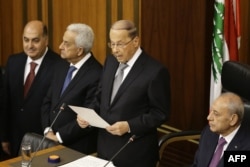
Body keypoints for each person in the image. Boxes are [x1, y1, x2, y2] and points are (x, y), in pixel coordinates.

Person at [77, 20, 171, 167]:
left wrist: (129, 126)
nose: (114, 50)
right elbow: (100, 97)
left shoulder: (155, 71)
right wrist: (88, 114)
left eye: (120, 44)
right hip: (104, 150)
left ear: (135, 41)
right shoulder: (110, 61)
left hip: (135, 154)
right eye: (112, 44)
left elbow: (160, 113)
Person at [0, 20, 61, 157]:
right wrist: (4, 137)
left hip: (43, 141)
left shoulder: (59, 65)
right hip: (14, 139)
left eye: (35, 40)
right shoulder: (13, 61)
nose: (29, 45)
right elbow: (5, 103)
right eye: (26, 40)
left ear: (46, 40)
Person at [41, 23, 102, 154]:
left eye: (66, 43)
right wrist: (48, 130)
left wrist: (58, 137)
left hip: (76, 148)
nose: (60, 46)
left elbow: (88, 117)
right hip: (50, 141)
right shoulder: (61, 65)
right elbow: (48, 101)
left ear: (80, 50)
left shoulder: (97, 74)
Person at [192, 92, 250, 167]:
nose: (209, 117)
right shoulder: (209, 132)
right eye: (211, 111)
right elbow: (197, 164)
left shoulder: (246, 148)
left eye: (216, 114)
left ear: (233, 120)